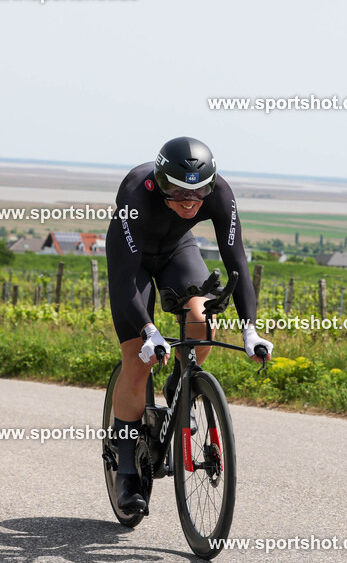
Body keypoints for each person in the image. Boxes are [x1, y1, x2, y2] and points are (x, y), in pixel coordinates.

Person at [104, 136, 273, 514]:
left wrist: (250, 329)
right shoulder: (136, 192)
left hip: (177, 251)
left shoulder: (220, 192)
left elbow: (237, 261)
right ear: (160, 182)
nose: (190, 203)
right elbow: (126, 280)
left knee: (202, 319)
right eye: (179, 193)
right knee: (137, 361)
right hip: (131, 263)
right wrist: (149, 331)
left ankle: (180, 383)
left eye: (198, 194)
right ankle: (127, 471)